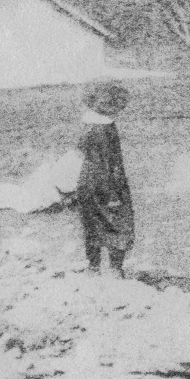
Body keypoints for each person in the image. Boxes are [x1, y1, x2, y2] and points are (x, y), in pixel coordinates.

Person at [74, 80, 135, 278]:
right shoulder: (104, 129)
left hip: (87, 182)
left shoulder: (88, 126)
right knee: (119, 223)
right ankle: (116, 270)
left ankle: (94, 268)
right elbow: (107, 165)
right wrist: (113, 194)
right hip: (105, 184)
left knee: (92, 224)